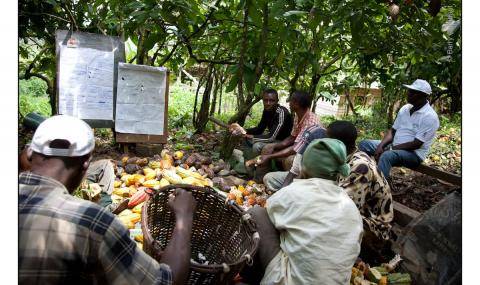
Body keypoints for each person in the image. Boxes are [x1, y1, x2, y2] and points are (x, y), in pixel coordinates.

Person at [19, 115, 196, 284]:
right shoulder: (93, 222)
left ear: (28, 154)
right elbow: (167, 280)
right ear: (86, 165)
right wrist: (183, 217)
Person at [240, 138, 363, 284]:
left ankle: (249, 277)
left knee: (256, 214)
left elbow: (270, 213)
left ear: (305, 166)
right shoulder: (350, 207)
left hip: (291, 281)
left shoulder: (295, 192)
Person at [359, 79, 440, 179]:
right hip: (394, 146)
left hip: (414, 154)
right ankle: (364, 177)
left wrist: (391, 149)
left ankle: (381, 189)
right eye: (409, 91)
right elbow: (393, 131)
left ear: (423, 96)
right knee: (364, 144)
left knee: (386, 156)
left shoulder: (430, 116)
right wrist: (381, 145)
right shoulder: (405, 108)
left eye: (413, 92)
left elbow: (416, 144)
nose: (408, 94)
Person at [253, 90, 320, 181]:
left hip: (307, 155)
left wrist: (269, 156)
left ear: (296, 103)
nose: (289, 103)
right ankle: (258, 181)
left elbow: (296, 148)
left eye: (291, 100)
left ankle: (289, 183)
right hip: (298, 148)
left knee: (289, 160)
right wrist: (273, 146)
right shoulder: (298, 115)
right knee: (268, 147)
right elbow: (292, 137)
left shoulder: (310, 122)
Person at [230, 88, 293, 158]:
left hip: (283, 142)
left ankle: (258, 165)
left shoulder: (282, 112)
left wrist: (252, 136)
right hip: (274, 139)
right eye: (266, 100)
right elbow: (260, 129)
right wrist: (244, 130)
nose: (268, 103)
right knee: (246, 140)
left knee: (257, 146)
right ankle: (249, 164)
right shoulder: (266, 111)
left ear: (277, 101)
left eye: (271, 100)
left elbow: (271, 137)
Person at [262, 124, 327, 191]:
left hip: (314, 184)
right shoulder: (311, 133)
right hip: (302, 177)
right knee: (269, 178)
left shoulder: (326, 158)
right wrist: (282, 191)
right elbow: (294, 171)